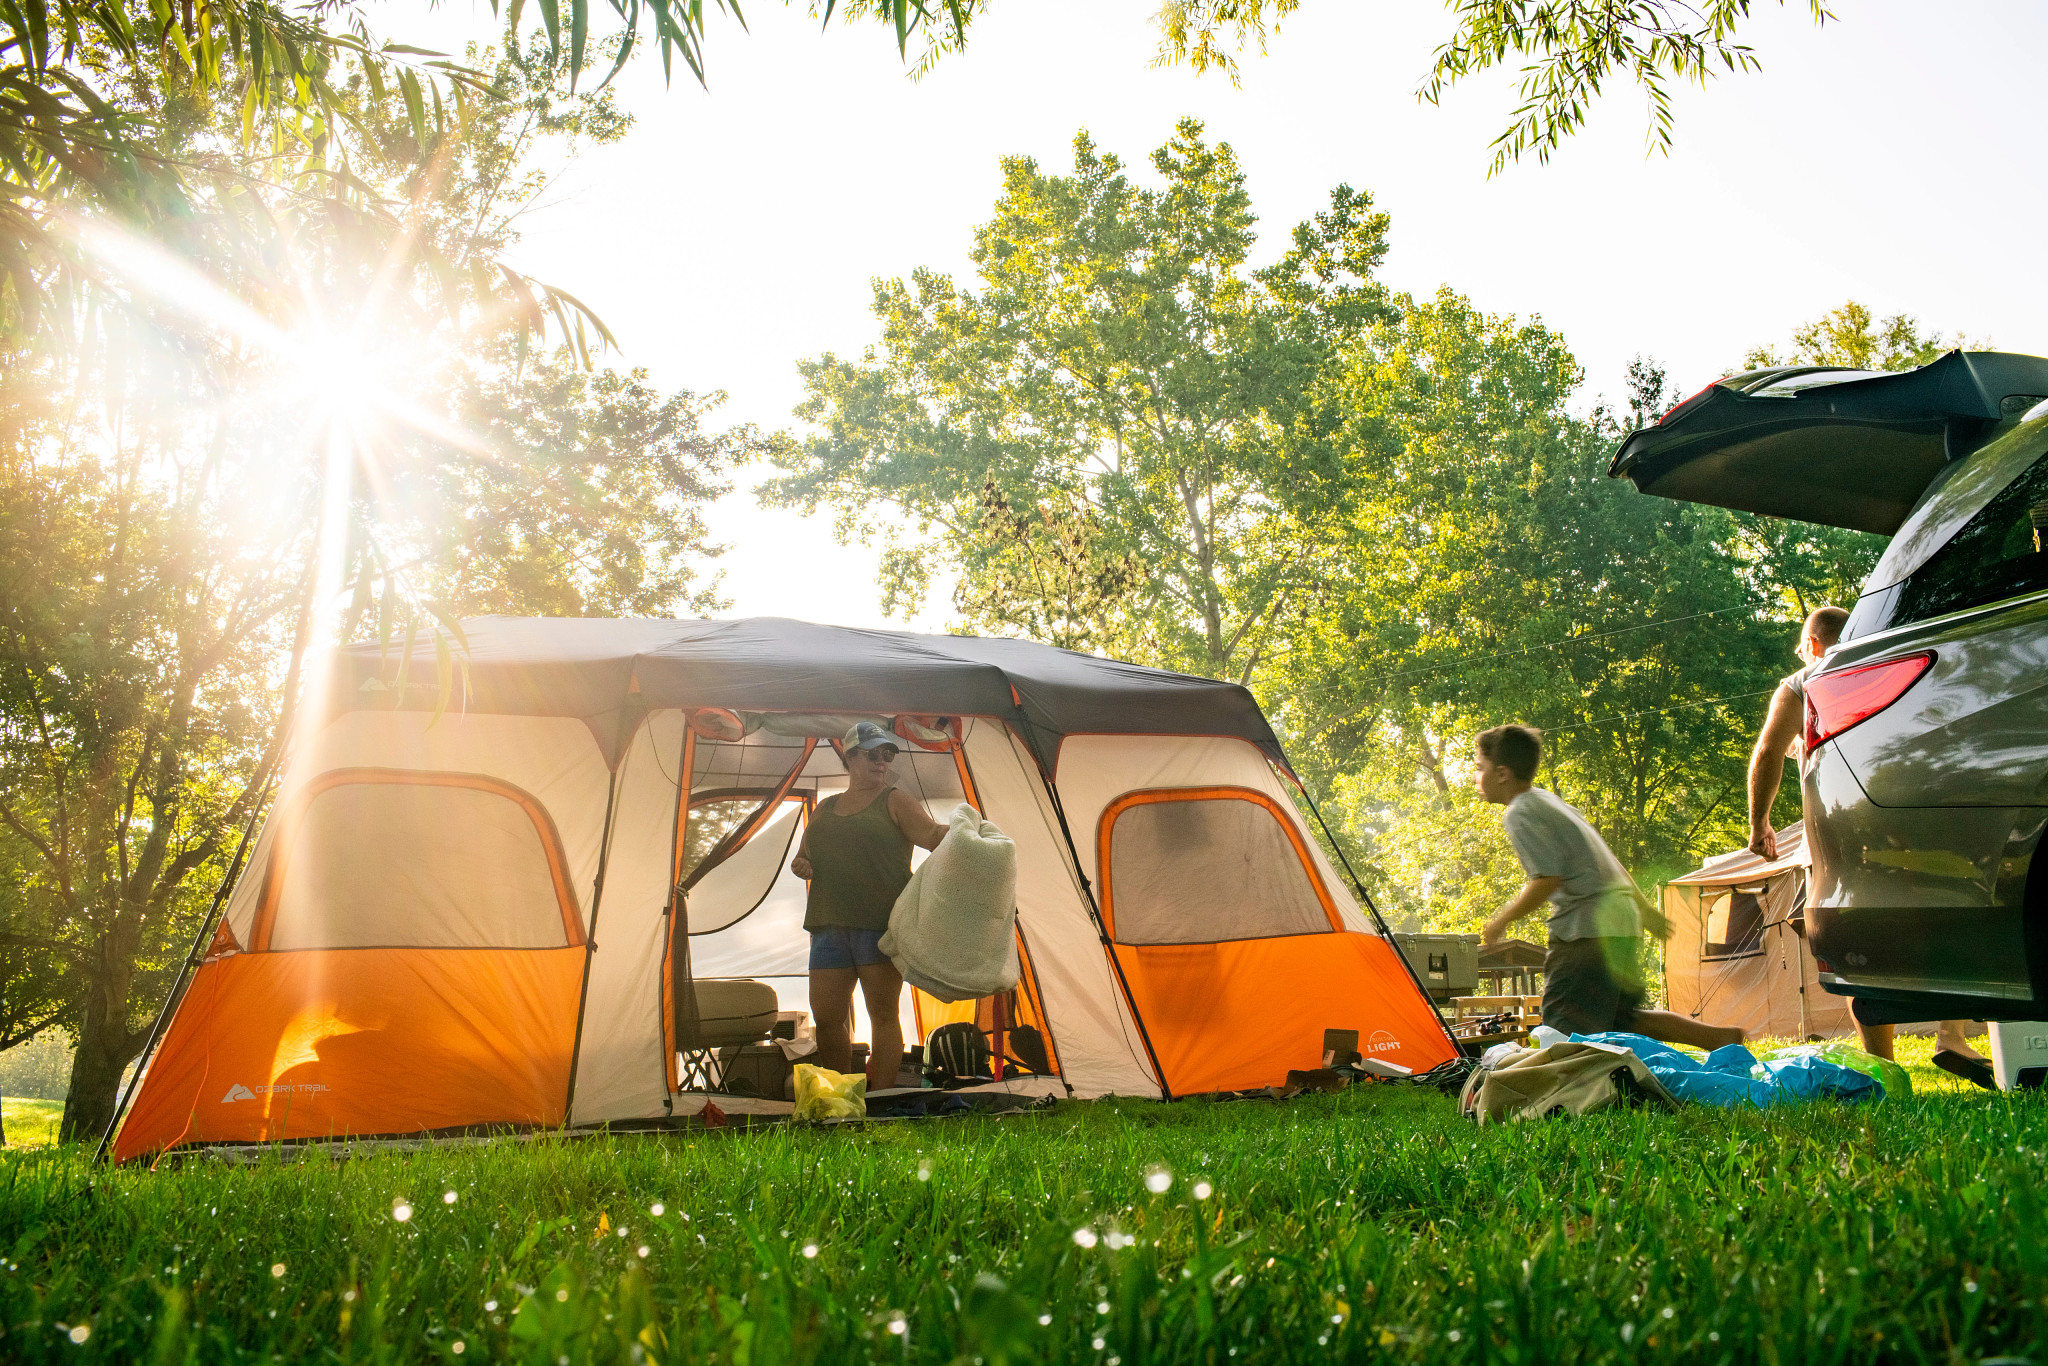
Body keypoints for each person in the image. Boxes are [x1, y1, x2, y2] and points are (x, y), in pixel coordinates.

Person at [1746, 607, 1994, 1086]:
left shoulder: (1805, 681)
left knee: (1857, 942)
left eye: (1802, 646)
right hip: (1916, 820)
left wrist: (1760, 823)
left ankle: (1886, 1065)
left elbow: (1769, 751)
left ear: (1815, 643)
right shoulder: (1901, 663)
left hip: (1845, 828)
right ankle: (1951, 1034)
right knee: (1945, 914)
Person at [1476, 723, 1745, 1050]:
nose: (1477, 778)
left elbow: (1546, 880)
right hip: (1620, 921)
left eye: (1481, 768)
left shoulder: (1520, 811)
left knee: (1562, 1025)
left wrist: (1502, 920)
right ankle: (1721, 1039)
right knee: (1622, 1018)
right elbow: (1610, 861)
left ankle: (1571, 1092)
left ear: (1502, 773)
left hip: (1587, 931)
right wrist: (1644, 910)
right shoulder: (1549, 801)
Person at [790, 721, 947, 1092]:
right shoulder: (824, 809)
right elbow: (803, 857)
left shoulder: (895, 800)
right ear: (851, 757)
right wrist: (802, 866)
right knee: (827, 1017)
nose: (882, 761)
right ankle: (842, 1096)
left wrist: (969, 832)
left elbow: (930, 836)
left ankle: (881, 1097)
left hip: (879, 925)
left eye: (888, 754)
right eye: (873, 753)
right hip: (828, 925)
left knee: (882, 1014)